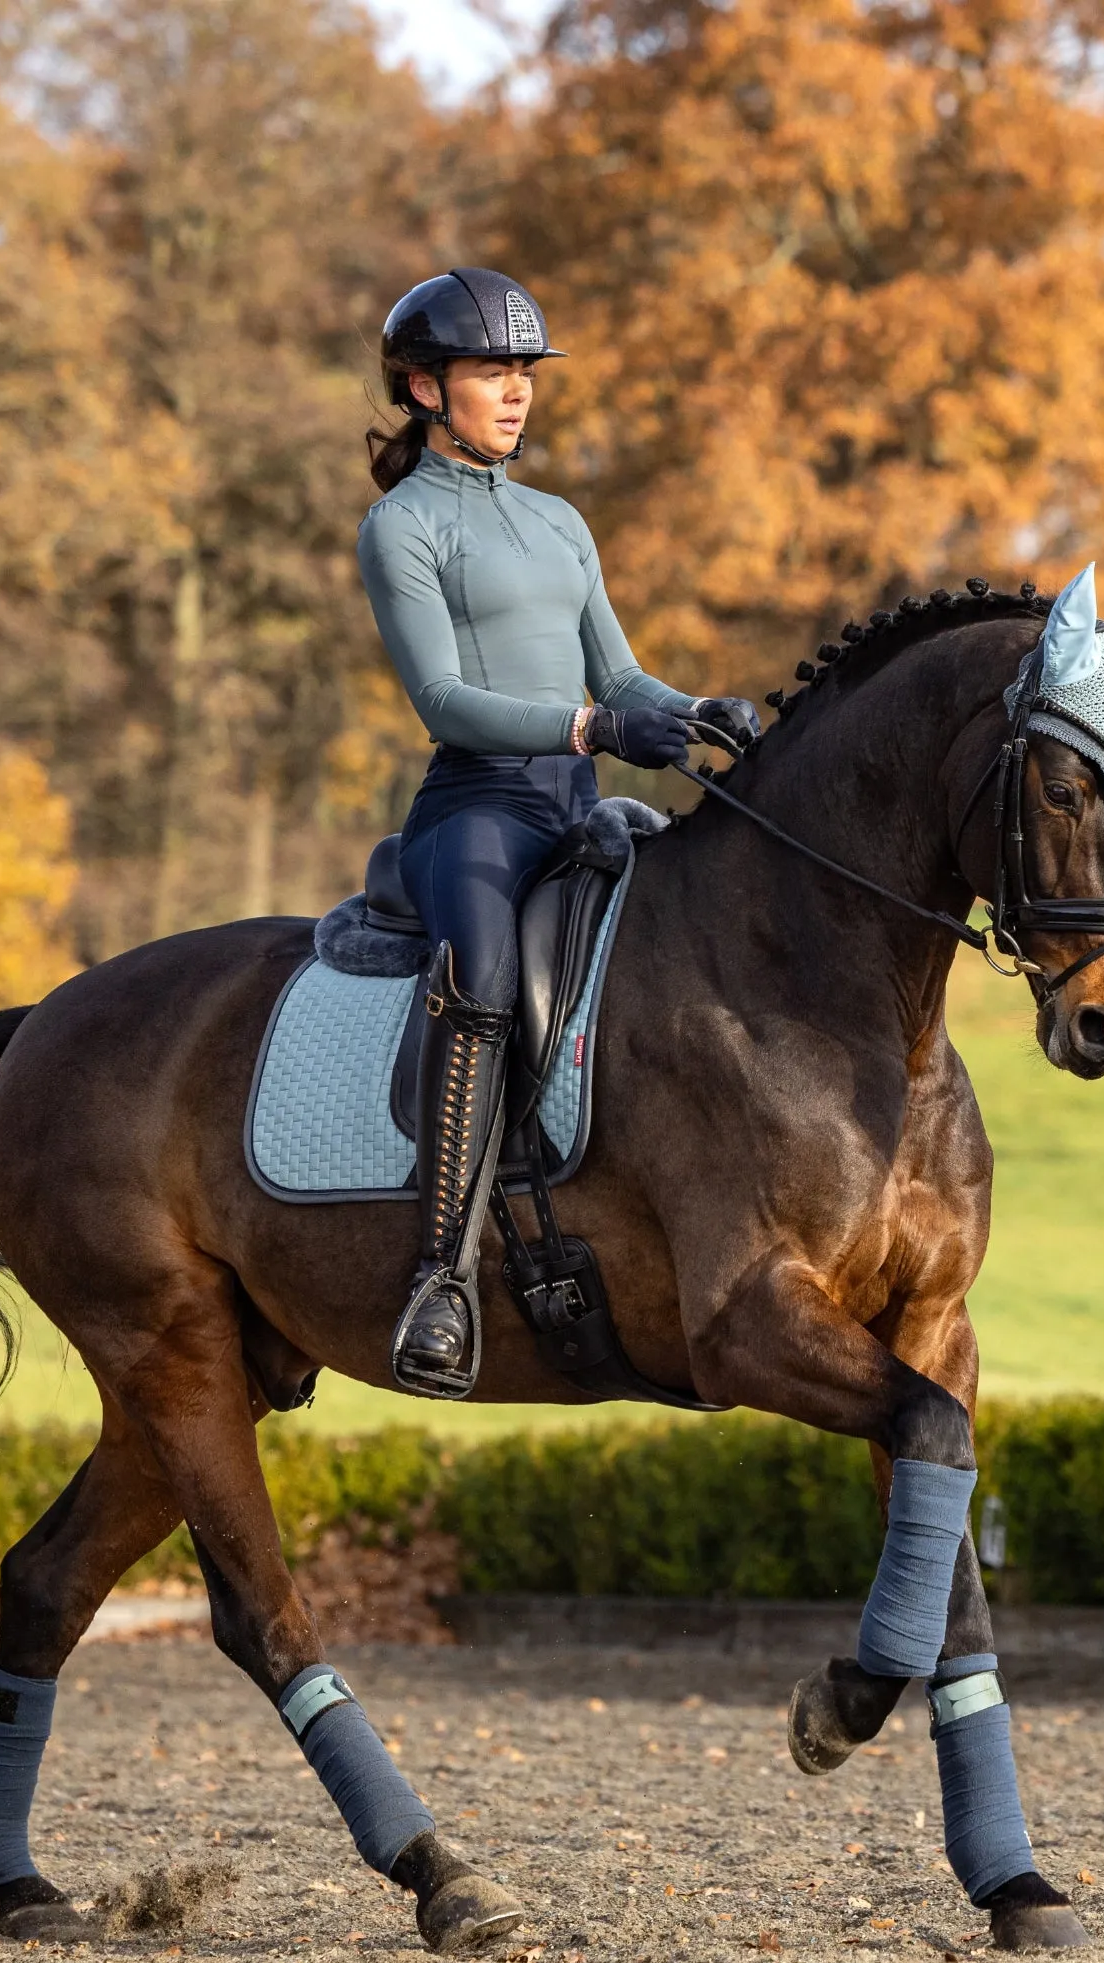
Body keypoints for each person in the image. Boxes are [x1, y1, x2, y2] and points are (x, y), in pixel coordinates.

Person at [359, 266, 760, 1396]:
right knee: (481, 977)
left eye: (525, 373)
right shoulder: (402, 527)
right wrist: (595, 724)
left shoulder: (559, 521)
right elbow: (442, 700)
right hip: (476, 811)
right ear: (426, 387)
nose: (518, 392)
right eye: (494, 372)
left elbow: (622, 670)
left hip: (576, 804)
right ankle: (439, 1276)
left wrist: (694, 713)